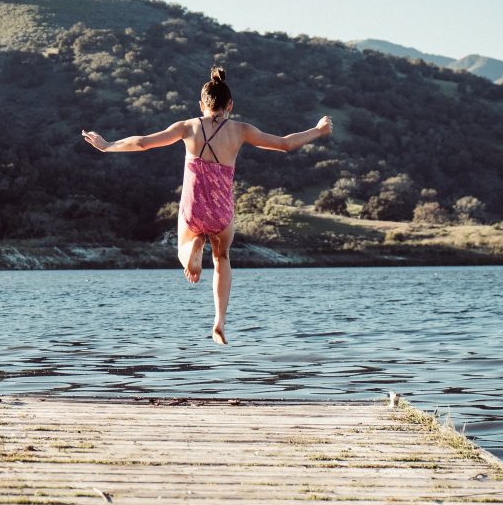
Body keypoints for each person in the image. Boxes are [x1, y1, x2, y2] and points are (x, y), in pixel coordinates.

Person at [81, 66, 333, 345]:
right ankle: (219, 321)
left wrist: (107, 145)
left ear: (200, 105)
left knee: (182, 249)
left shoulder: (188, 127)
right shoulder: (241, 130)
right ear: (230, 105)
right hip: (222, 211)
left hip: (193, 208)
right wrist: (318, 130)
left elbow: (142, 143)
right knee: (222, 258)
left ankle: (193, 246)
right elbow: (285, 144)